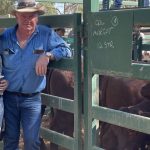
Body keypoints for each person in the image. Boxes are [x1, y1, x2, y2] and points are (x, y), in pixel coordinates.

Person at [0, 0, 71, 149]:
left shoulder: (45, 34)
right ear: (16, 16)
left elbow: (66, 49)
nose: (27, 20)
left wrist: (47, 55)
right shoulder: (5, 37)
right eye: (23, 16)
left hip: (32, 99)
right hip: (9, 97)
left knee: (32, 141)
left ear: (37, 17)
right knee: (10, 140)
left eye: (31, 16)